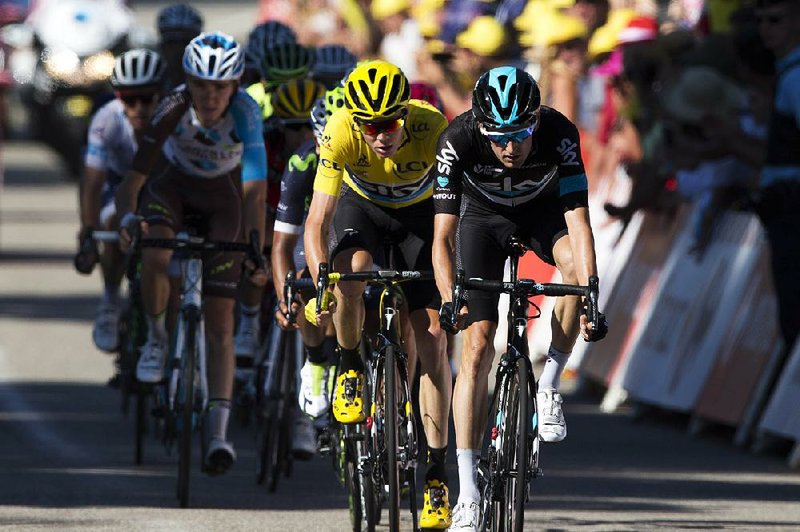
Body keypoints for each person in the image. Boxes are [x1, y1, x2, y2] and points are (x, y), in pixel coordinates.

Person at [431, 66, 607, 530]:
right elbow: (442, 237)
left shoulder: (560, 133)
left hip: (541, 213)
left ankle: (548, 385)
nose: (510, 148)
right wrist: (451, 299)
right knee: (475, 347)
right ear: (481, 127)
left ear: (536, 121)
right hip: (482, 223)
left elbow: (579, 223)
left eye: (521, 135)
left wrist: (590, 293)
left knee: (571, 270)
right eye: (498, 137)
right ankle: (467, 492)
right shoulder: (457, 140)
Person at [304, 60, 454, 529]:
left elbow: (459, 212)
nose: (381, 134)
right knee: (350, 273)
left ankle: (435, 473)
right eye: (371, 125)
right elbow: (316, 222)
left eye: (390, 122)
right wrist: (322, 284)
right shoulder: (341, 130)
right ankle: (349, 365)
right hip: (363, 208)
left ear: (405, 113)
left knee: (431, 335)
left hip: (420, 217)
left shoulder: (433, 126)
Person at [115, 32, 268, 475]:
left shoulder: (246, 111)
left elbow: (254, 190)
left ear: (236, 84)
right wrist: (127, 220)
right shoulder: (172, 106)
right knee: (156, 255)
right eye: (201, 84)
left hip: (224, 199)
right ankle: (158, 340)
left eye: (221, 85)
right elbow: (133, 181)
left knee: (221, 320)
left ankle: (218, 435)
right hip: (174, 190)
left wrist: (254, 246)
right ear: (187, 79)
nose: (211, 95)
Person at [74, 49, 165, 354]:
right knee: (112, 224)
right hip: (116, 186)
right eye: (129, 99)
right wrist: (88, 232)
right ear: (118, 97)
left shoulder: (174, 117)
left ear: (161, 95)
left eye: (147, 98)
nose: (138, 107)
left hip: (161, 188)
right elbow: (92, 183)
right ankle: (110, 300)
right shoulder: (107, 119)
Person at [756, 0, 800, 351]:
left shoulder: (796, 76)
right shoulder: (787, 71)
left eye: (776, 19)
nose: (767, 29)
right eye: (762, 21)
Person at [155, 3, 204, 90]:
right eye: (172, 42)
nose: (179, 50)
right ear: (162, 46)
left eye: (186, 42)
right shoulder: (152, 84)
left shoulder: (211, 84)